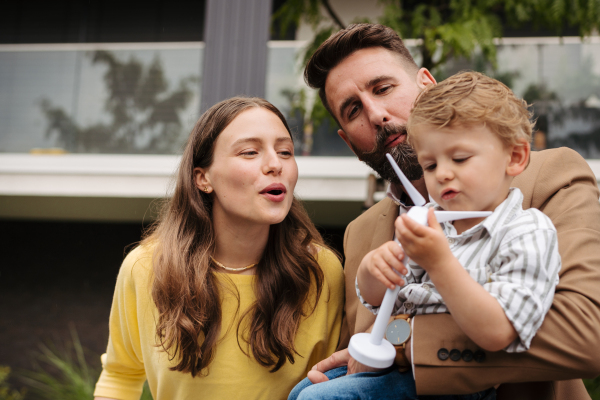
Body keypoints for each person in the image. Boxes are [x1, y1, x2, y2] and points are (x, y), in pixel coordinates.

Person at [301, 23, 600, 399]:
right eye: (353, 110)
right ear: (347, 141)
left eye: (383, 88)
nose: (376, 114)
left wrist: (400, 348)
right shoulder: (359, 233)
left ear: (428, 84)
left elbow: (586, 335)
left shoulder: (551, 176)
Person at [93, 97, 345, 400]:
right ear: (203, 178)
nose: (275, 164)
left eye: (285, 152)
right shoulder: (145, 266)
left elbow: (336, 384)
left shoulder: (322, 270)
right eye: (250, 152)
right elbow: (120, 377)